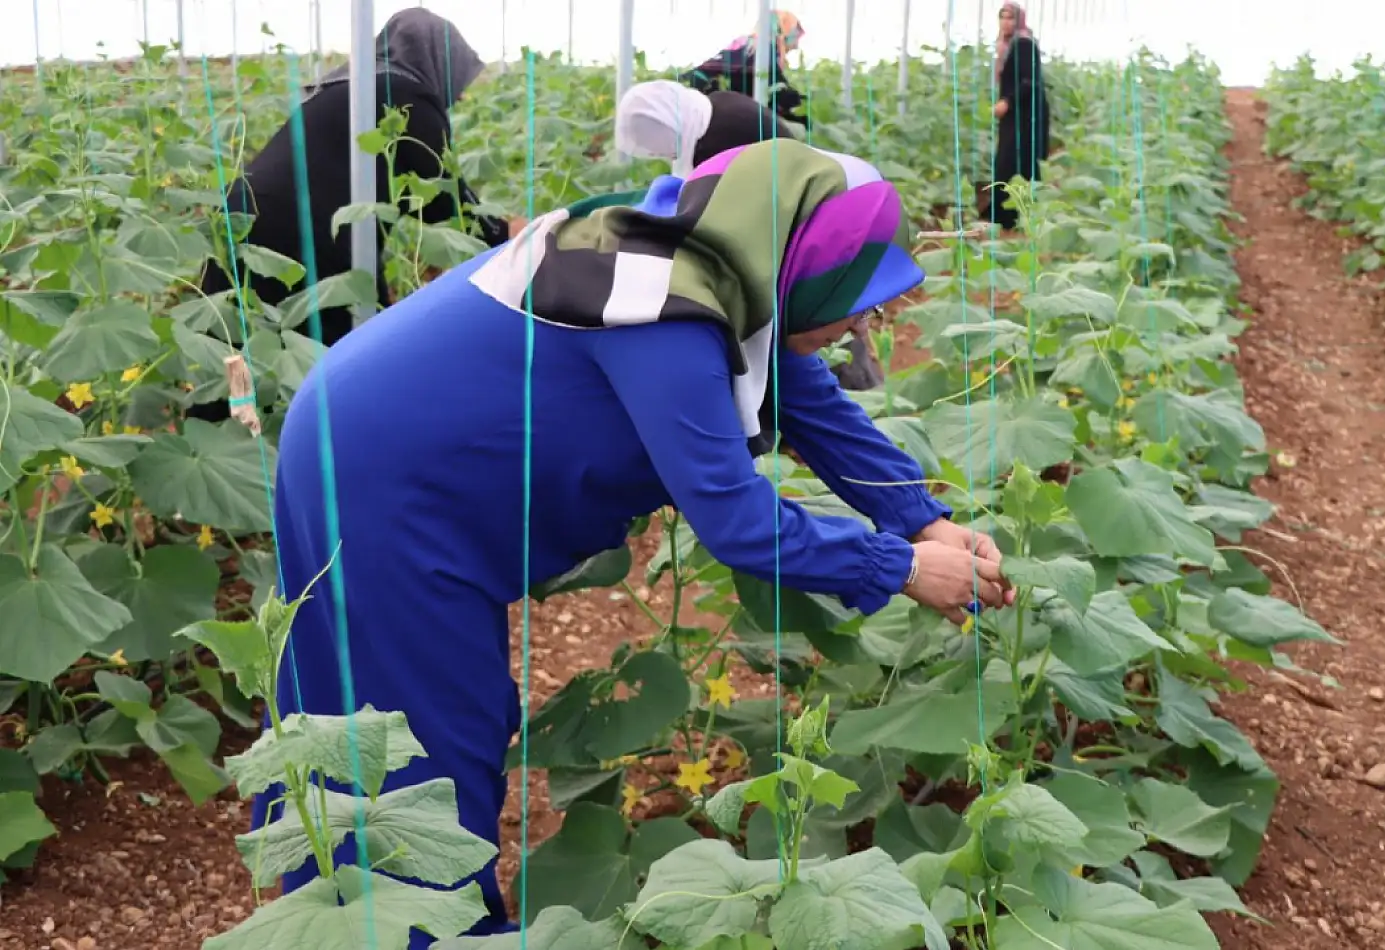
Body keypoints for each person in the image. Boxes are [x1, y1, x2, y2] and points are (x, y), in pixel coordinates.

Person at [256, 140, 1013, 945]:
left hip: (384, 448)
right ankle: (407, 932)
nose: (868, 320)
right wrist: (898, 567)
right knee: (418, 736)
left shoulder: (723, 263)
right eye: (859, 296)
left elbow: (813, 405)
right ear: (806, 267)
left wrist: (921, 518)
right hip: (381, 480)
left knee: (424, 715)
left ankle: (382, 918)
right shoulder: (660, 311)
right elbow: (738, 521)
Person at [190, 7, 513, 423]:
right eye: (461, 79)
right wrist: (512, 232)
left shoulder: (353, 84)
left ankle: (227, 456)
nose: (462, 94)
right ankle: (310, 464)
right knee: (338, 369)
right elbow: (448, 209)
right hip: (296, 234)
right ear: (437, 60)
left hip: (241, 216)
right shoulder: (408, 97)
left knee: (238, 352)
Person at [593, 79, 884, 390]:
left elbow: (706, 205)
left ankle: (853, 388)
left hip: (790, 222)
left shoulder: (720, 138)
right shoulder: (716, 110)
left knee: (816, 323)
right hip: (796, 216)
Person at [982, 2, 1051, 231]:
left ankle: (1011, 216)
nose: (1006, 23)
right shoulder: (1009, 45)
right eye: (1002, 18)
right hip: (1017, 112)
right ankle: (1007, 213)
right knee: (1010, 160)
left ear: (1019, 20)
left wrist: (1007, 101)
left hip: (1026, 113)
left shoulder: (1023, 44)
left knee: (1016, 160)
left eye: (1010, 18)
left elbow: (1029, 81)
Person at [687, 9, 810, 130]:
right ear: (783, 31)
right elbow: (778, 93)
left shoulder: (745, 44)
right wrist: (806, 112)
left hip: (698, 105)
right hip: (715, 112)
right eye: (794, 37)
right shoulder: (763, 50)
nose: (795, 46)